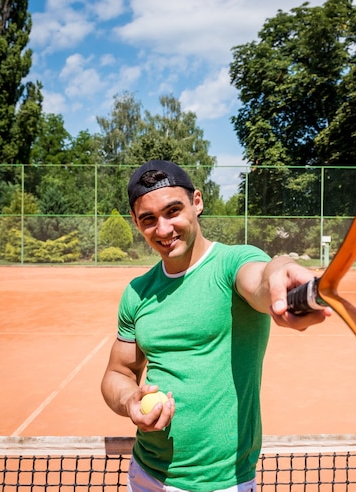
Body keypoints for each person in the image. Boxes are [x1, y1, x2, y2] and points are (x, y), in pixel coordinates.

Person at [101, 160, 330, 492]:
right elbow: (118, 373)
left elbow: (263, 277)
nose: (163, 230)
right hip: (146, 475)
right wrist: (128, 401)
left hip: (223, 484)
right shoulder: (137, 292)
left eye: (172, 211)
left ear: (197, 202)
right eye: (149, 219)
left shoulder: (232, 264)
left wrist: (282, 271)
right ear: (136, 222)